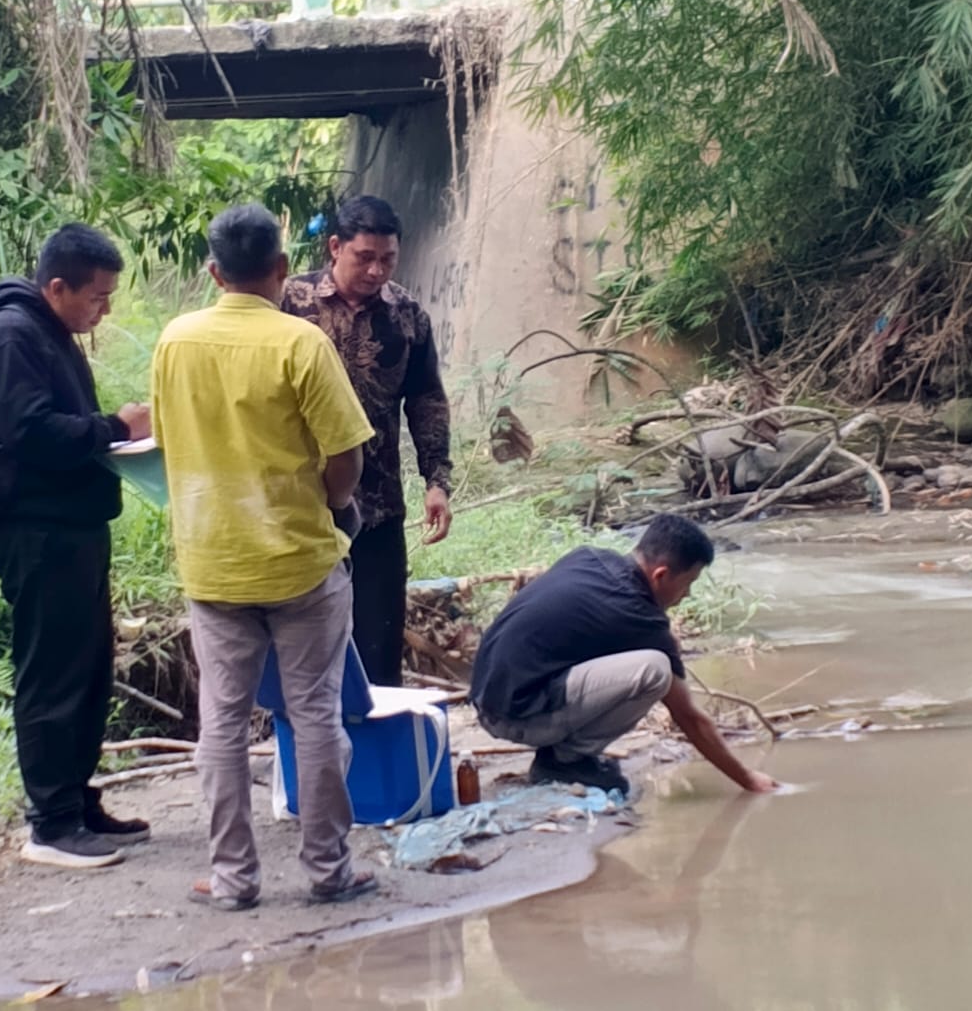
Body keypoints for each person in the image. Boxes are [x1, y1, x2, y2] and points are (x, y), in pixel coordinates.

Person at [151, 203, 378, 910]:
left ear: (213, 271)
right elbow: (347, 454)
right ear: (282, 269)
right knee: (313, 713)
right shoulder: (301, 344)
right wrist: (338, 507)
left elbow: (164, 437)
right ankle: (327, 870)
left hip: (213, 561)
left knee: (221, 720)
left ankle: (232, 879)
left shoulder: (175, 341)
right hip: (300, 562)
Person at [0, 223, 153, 870]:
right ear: (57, 287)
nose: (103, 310)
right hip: (37, 529)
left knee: (87, 667)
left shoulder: (49, 331)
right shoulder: (13, 335)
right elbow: (31, 433)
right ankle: (49, 824)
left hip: (73, 526)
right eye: (96, 298)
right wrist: (113, 427)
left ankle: (77, 802)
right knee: (52, 671)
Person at [469, 514, 778, 796]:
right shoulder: (640, 617)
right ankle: (565, 761)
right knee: (655, 670)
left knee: (653, 660)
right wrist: (747, 779)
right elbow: (690, 719)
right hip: (511, 716)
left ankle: (566, 754)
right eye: (688, 585)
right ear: (660, 575)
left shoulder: (589, 557)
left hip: (488, 693)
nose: (687, 596)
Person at [282, 195, 452, 688]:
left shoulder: (407, 316)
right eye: (365, 257)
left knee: (378, 650)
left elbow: (426, 401)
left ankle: (375, 756)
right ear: (335, 247)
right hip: (300, 509)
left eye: (388, 259)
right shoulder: (289, 304)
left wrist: (436, 479)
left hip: (377, 508)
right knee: (305, 654)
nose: (377, 270)